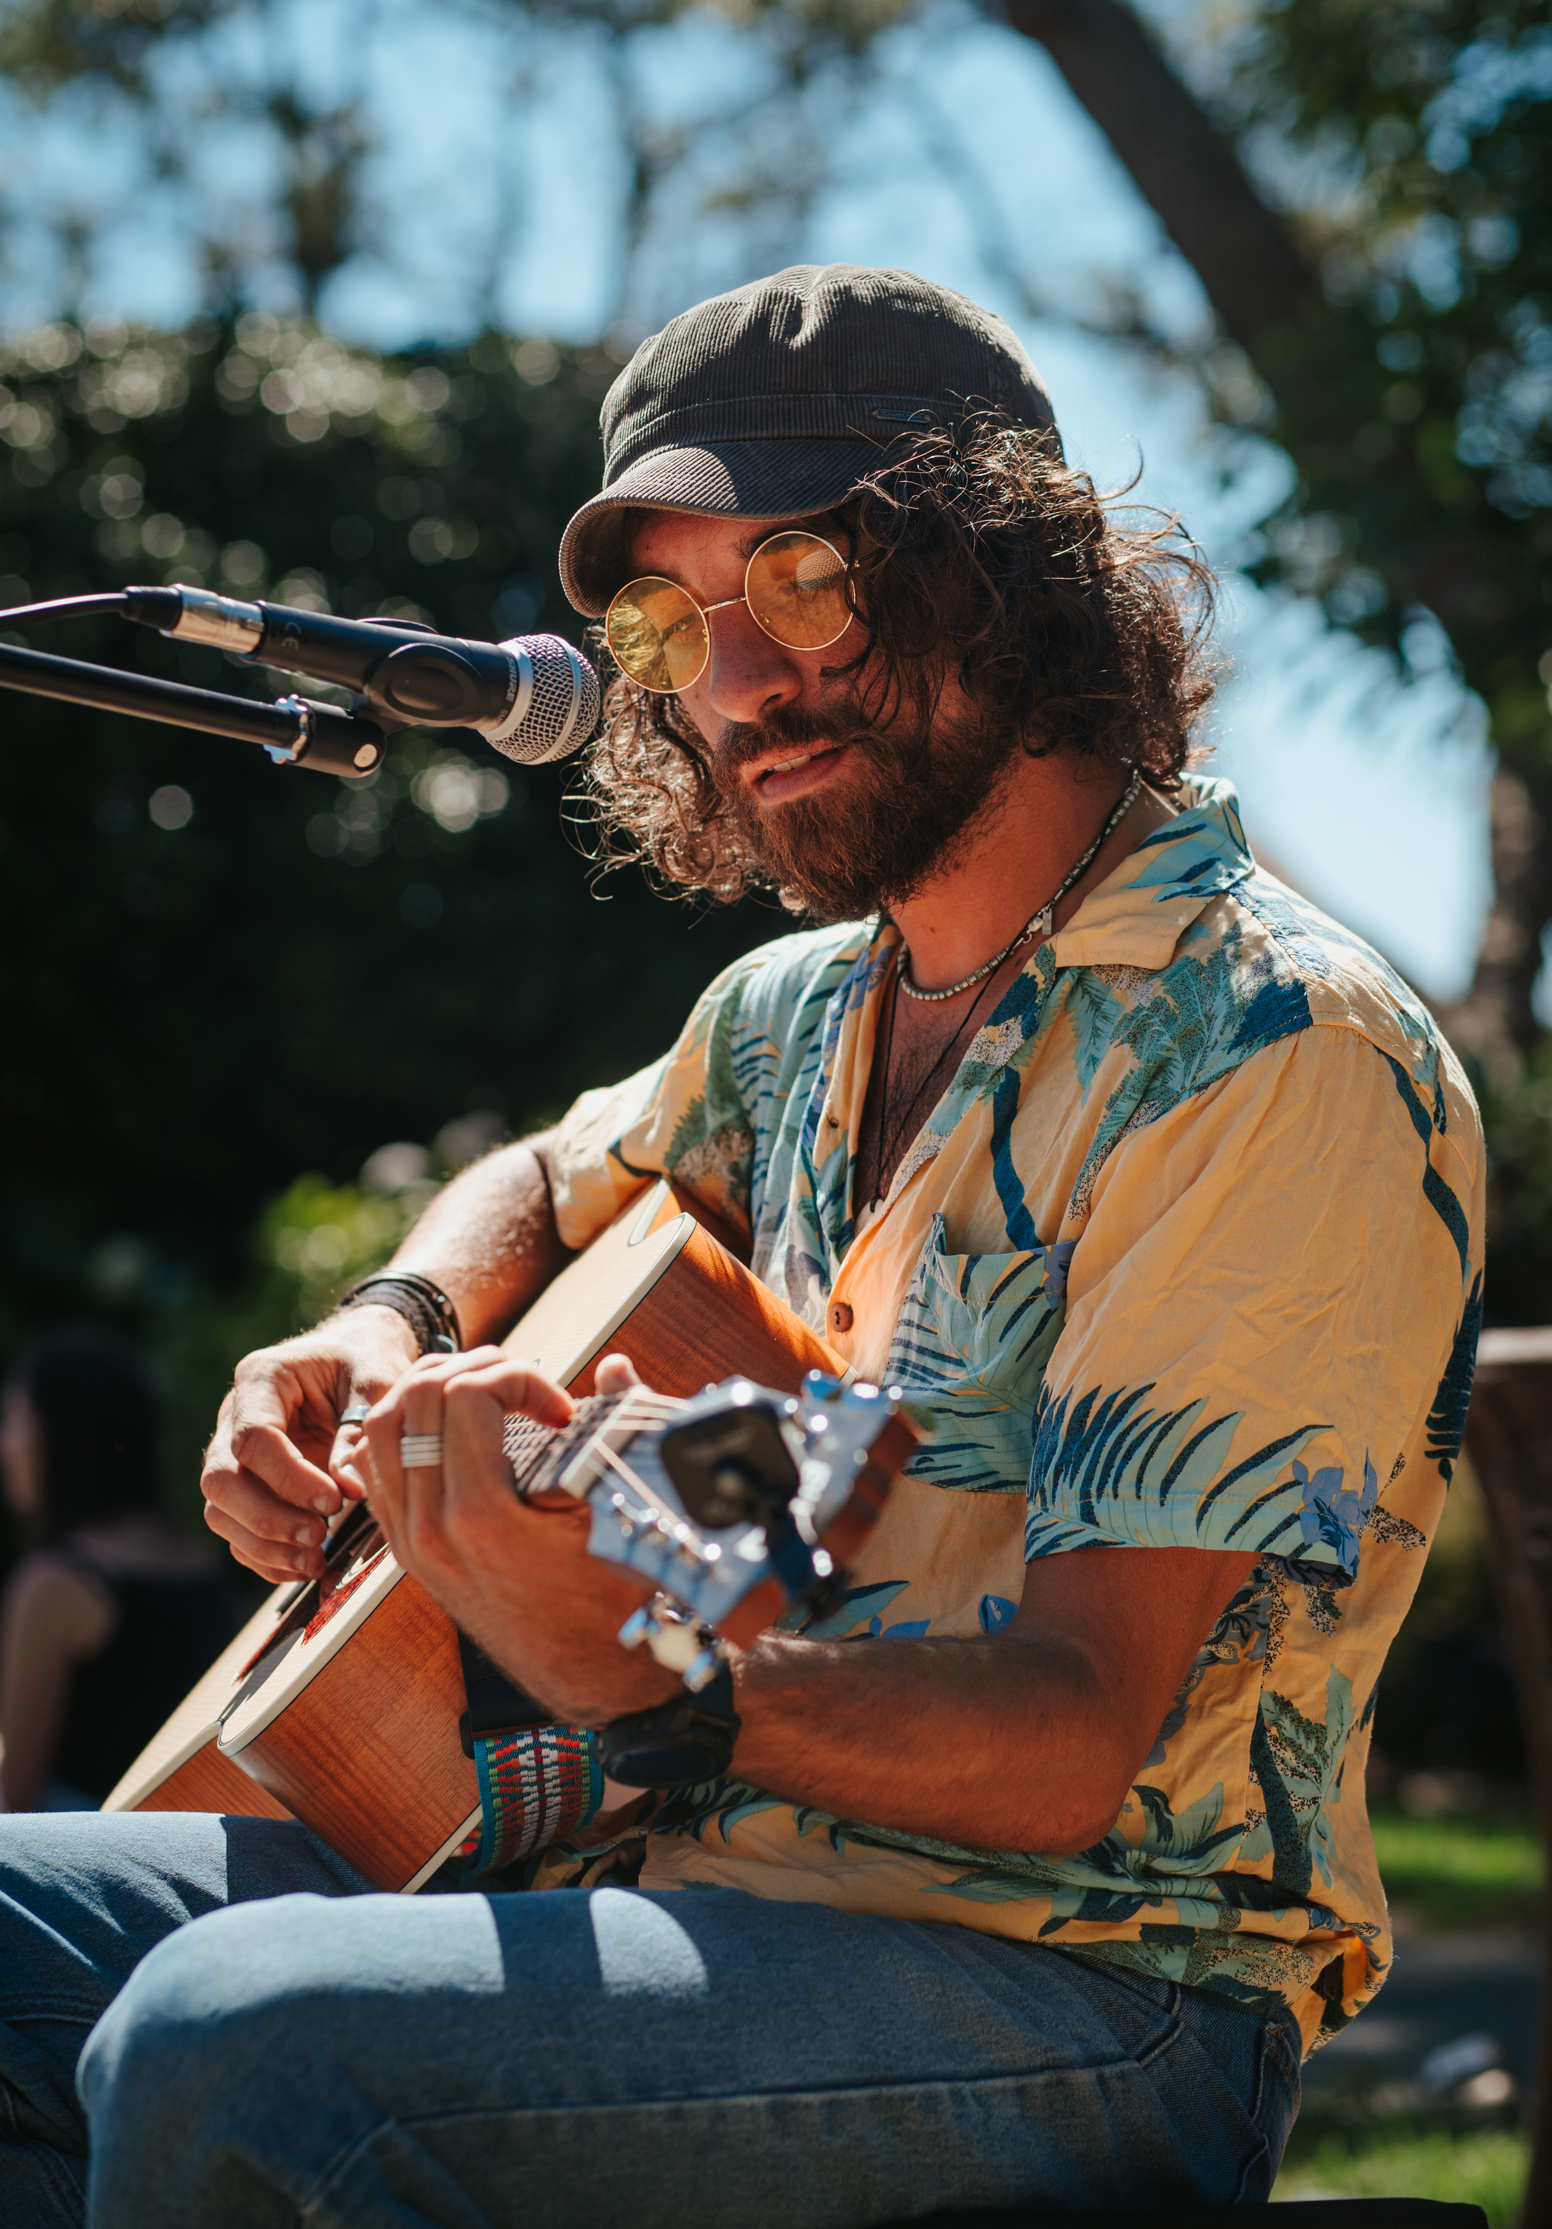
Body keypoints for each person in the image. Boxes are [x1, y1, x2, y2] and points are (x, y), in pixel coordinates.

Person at [0, 264, 1483, 2228]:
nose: (736, 682)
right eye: (665, 624)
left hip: (1087, 1983)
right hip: (668, 1883)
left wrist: (642, 1677)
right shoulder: (792, 1015)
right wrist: (390, 1317)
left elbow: (1066, 1739)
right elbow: (544, 1180)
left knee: (238, 2042)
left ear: (1010, 578)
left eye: (801, 578)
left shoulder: (1269, 1044)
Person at [0, 1331, 234, 1812]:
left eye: (14, 1418)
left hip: (86, 1846)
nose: (6, 1445)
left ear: (60, 1432)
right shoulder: (203, 1558)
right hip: (200, 1828)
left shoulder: (55, 1584)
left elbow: (13, 1798)